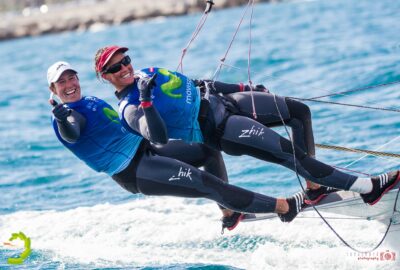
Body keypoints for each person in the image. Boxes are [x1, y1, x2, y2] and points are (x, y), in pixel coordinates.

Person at [94, 45, 400, 217]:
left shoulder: (149, 71)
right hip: (220, 127)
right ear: (105, 77)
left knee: (297, 112)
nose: (124, 68)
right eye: (114, 68)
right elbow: (158, 138)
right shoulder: (129, 108)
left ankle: (315, 188)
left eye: (125, 60)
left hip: (226, 102)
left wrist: (242, 87)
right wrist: (146, 99)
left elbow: (199, 84)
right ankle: (368, 188)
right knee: (286, 153)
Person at [48, 61, 307, 234]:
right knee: (207, 184)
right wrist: (62, 118)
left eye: (72, 78)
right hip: (134, 170)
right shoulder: (68, 115)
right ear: (53, 89)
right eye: (62, 83)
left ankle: (230, 214)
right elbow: (72, 131)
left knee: (207, 149)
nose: (69, 85)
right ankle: (284, 207)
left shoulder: (88, 101)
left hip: (146, 149)